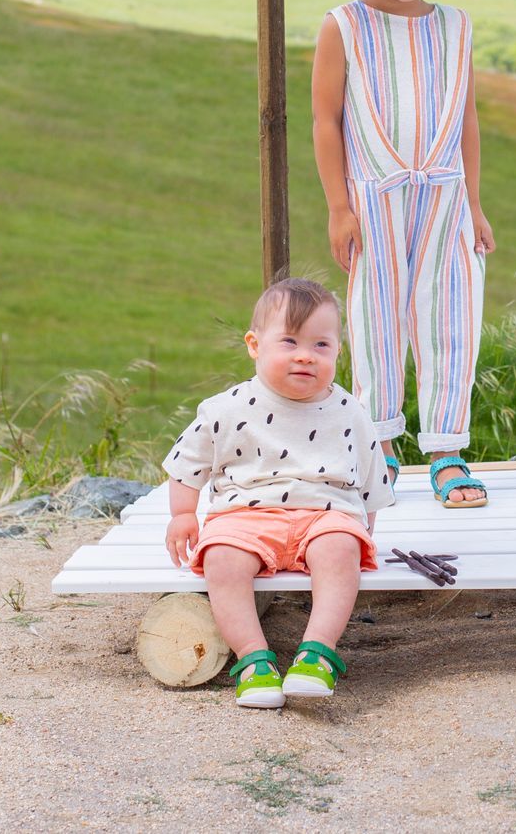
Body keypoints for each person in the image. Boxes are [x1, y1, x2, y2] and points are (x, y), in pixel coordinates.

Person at [306, 0, 498, 508]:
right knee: (376, 319)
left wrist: (474, 203)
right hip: (376, 201)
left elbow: (465, 119)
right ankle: (380, 447)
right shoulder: (344, 28)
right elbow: (326, 122)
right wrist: (339, 205)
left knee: (451, 319)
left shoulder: (456, 28)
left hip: (445, 199)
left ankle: (447, 450)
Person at [162, 277, 391, 708]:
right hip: (244, 514)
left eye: (321, 345)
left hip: (325, 512)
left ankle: (316, 654)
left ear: (337, 351)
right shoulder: (226, 408)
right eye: (289, 342)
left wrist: (362, 528)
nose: (305, 355)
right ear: (255, 344)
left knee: (341, 548)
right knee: (222, 559)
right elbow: (186, 462)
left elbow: (370, 476)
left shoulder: (350, 410)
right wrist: (183, 514)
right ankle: (253, 661)